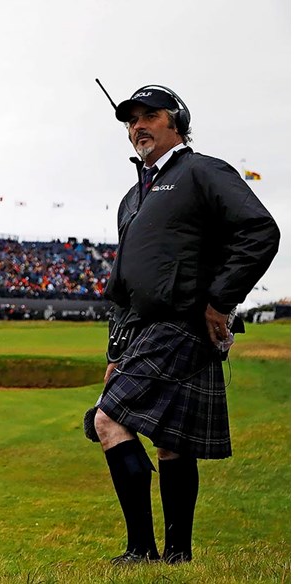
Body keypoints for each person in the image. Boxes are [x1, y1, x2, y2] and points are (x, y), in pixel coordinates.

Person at [93, 85, 279, 565]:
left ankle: (141, 551)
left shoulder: (202, 171)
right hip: (142, 328)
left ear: (176, 122)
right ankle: (176, 557)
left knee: (108, 420)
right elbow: (124, 285)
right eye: (131, 120)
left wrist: (222, 301)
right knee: (172, 443)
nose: (138, 126)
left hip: (182, 323)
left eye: (149, 115)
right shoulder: (132, 198)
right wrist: (116, 352)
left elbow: (259, 231)